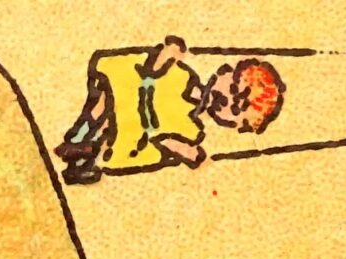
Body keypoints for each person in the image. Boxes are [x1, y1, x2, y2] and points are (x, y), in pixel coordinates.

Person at [56, 39, 285, 185]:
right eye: (233, 88)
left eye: (234, 109)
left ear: (234, 124)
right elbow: (151, 70)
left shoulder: (193, 131)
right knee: (105, 103)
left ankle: (87, 154)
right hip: (127, 93)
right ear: (224, 72)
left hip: (135, 133)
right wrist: (168, 54)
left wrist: (190, 153)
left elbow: (167, 142)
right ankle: (81, 138)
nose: (226, 100)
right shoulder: (184, 75)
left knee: (125, 146)